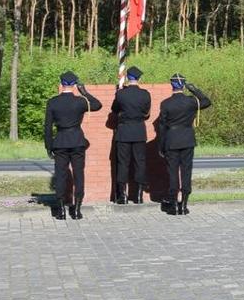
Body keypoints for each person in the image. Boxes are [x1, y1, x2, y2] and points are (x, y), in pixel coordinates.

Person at [44, 72, 103, 220]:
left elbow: (47, 127)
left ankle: (61, 211)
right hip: (77, 141)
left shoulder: (53, 102)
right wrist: (84, 92)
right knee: (78, 175)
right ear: (75, 85)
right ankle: (77, 210)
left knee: (60, 175)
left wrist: (48, 146)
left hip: (60, 142)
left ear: (61, 83)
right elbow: (97, 105)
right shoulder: (80, 101)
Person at [154, 74, 213, 215]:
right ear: (184, 85)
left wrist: (161, 146)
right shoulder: (191, 101)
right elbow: (206, 102)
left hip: (171, 141)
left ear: (172, 85)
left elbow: (161, 127)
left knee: (173, 172)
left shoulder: (166, 103)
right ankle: (184, 205)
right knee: (186, 171)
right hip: (187, 140)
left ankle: (174, 205)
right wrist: (194, 90)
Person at [111, 67, 152, 204]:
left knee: (123, 163)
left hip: (123, 132)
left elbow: (114, 110)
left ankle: (122, 195)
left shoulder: (121, 94)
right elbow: (147, 114)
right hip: (139, 131)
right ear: (139, 78)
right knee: (140, 163)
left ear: (128, 78)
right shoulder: (145, 94)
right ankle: (139, 195)